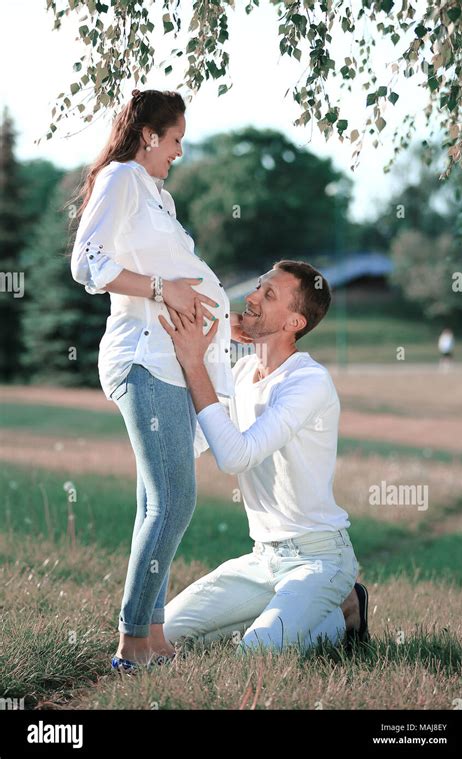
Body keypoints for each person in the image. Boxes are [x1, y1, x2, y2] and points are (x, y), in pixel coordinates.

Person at [70, 89, 235, 673]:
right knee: (175, 499)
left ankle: (156, 633)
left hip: (170, 359)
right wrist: (167, 290)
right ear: (148, 135)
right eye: (176, 139)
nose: (181, 151)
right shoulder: (120, 179)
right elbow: (87, 262)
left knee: (153, 503)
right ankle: (130, 644)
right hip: (141, 356)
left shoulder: (156, 194)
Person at [159, 260, 369, 656]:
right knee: (165, 635)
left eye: (268, 295)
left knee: (255, 654)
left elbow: (237, 457)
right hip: (262, 559)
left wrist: (194, 364)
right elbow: (203, 439)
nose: (251, 297)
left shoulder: (308, 383)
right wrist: (222, 330)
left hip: (319, 559)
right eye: (258, 287)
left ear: (294, 323)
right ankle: (287, 612)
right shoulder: (241, 373)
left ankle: (346, 612)